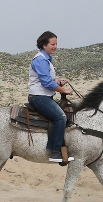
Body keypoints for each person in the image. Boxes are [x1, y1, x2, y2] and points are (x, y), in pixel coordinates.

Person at [28, 31, 75, 163]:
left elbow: (48, 80)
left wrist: (58, 83)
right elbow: (46, 83)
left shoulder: (46, 59)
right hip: (39, 97)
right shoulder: (40, 60)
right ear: (44, 45)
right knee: (60, 117)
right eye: (52, 44)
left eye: (56, 44)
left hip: (44, 96)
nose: (55, 46)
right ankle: (55, 152)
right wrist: (63, 89)